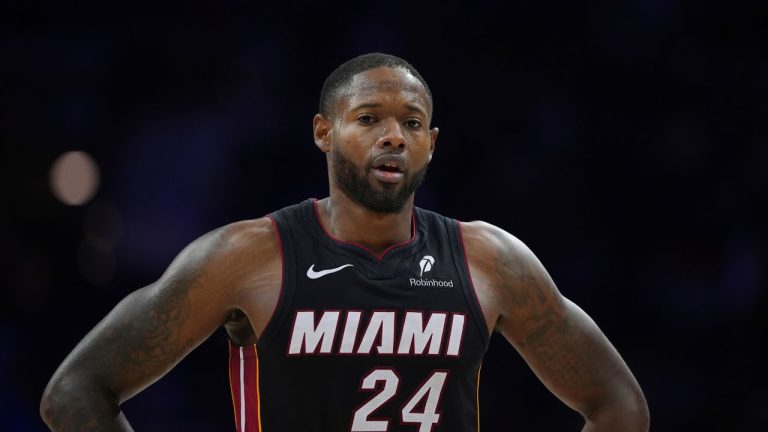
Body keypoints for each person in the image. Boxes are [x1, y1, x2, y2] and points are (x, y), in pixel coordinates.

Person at [40, 53, 649, 431]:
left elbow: (619, 404)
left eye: (411, 123)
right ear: (323, 133)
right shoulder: (248, 256)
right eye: (368, 119)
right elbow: (74, 393)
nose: (393, 136)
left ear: (431, 144)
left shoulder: (490, 259)